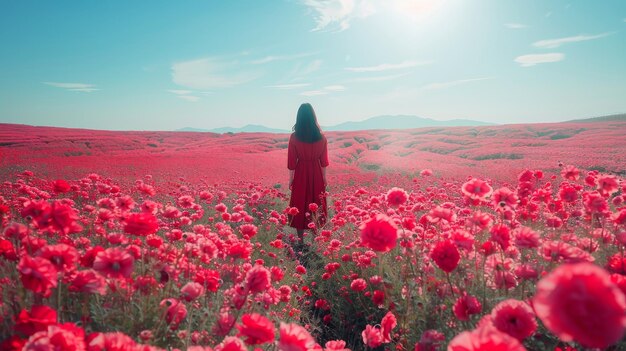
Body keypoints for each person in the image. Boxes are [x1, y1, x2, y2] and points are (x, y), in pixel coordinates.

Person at [288, 103, 329, 247]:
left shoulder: (294, 137)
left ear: (299, 118)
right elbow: (324, 162)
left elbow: (292, 162)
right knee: (316, 204)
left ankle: (300, 241)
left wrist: (291, 179)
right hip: (317, 173)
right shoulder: (322, 138)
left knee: (299, 203)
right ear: (313, 117)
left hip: (300, 173)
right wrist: (324, 178)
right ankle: (315, 240)